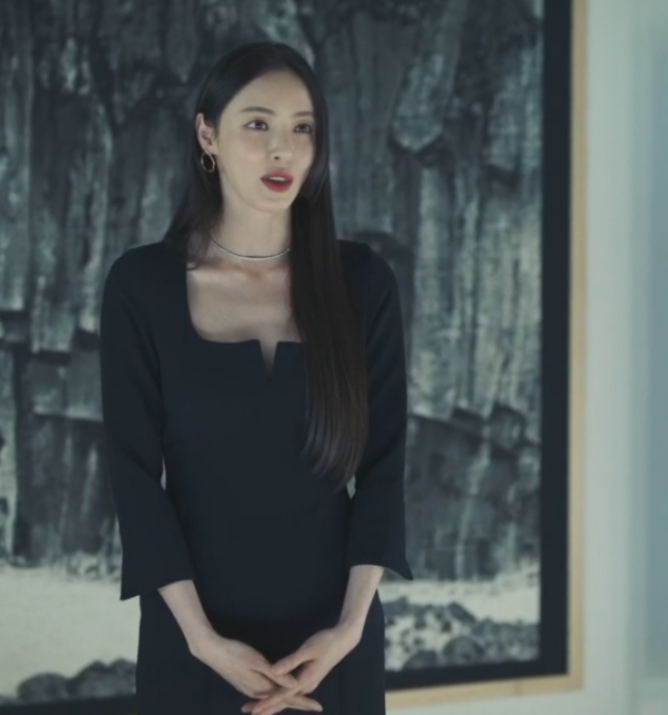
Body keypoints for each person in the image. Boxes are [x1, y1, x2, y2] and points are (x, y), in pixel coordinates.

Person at [99, 41, 414, 715]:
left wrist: (349, 630)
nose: (283, 149)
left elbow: (385, 467)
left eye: (303, 128)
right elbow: (133, 477)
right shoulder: (140, 285)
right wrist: (204, 642)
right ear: (207, 135)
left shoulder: (363, 282)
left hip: (334, 646)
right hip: (194, 643)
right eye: (258, 124)